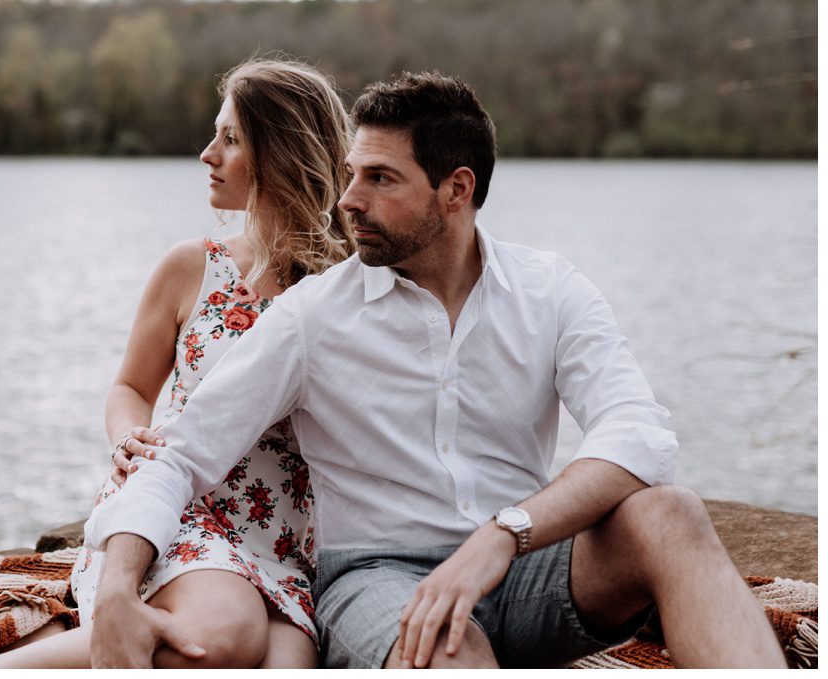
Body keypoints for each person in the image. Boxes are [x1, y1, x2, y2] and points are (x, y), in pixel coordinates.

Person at [82, 71, 787, 668]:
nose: (347, 200)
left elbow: (639, 433)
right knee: (449, 647)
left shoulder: (549, 290)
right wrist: (117, 588)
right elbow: (181, 456)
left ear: (457, 189)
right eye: (351, 174)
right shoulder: (312, 316)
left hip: (528, 563)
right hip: (379, 577)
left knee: (669, 510)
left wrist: (505, 533)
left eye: (380, 179)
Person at [0, 57, 354, 669]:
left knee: (284, 668)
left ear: (281, 153)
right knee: (223, 638)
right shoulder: (192, 267)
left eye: (230, 139)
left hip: (283, 541)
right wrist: (127, 439)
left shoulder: (351, 286)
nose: (207, 154)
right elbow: (129, 386)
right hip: (175, 513)